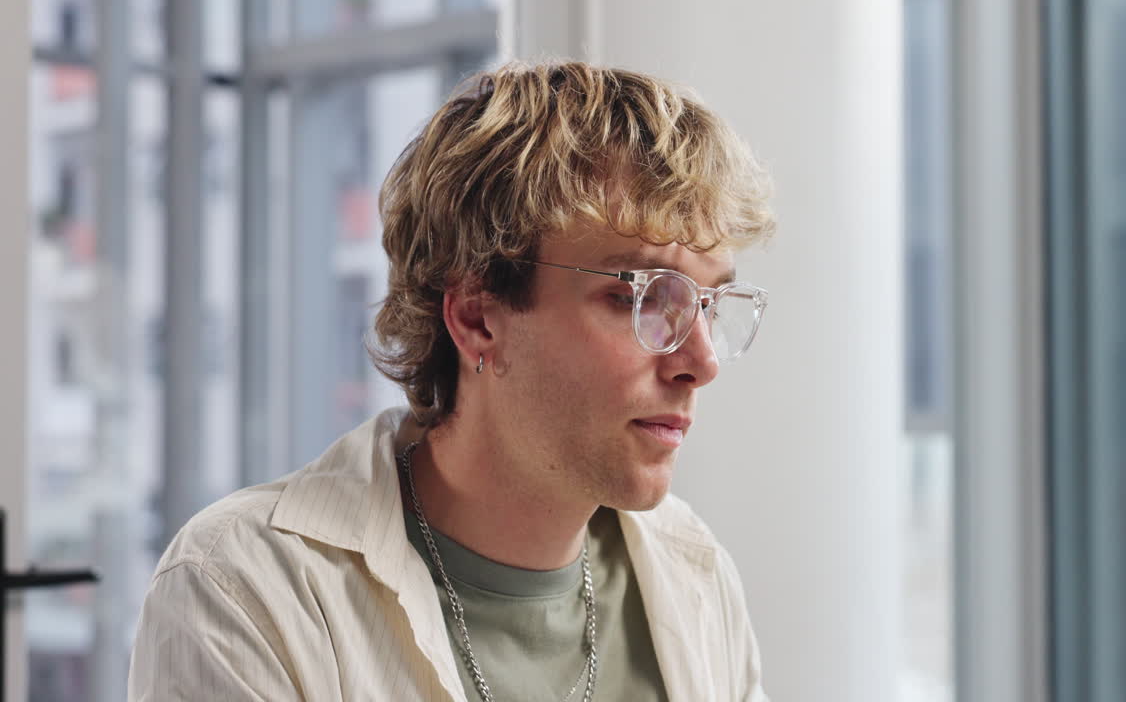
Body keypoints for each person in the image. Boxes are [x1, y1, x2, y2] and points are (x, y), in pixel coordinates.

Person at [128, 60, 775, 701]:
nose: (701, 361)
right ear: (476, 319)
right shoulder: (245, 591)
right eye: (641, 297)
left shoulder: (695, 572)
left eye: (709, 304)